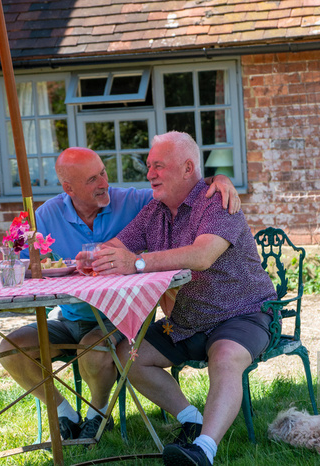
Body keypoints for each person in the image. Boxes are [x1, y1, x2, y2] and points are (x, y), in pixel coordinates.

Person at [0, 146, 240, 441]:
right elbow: (13, 254)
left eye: (103, 173)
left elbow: (181, 187)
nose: (104, 183)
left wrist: (218, 178)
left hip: (120, 317)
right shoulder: (45, 215)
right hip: (70, 315)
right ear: (68, 188)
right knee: (12, 349)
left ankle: (97, 414)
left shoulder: (132, 201)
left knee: (92, 348)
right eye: (92, 179)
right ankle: (65, 415)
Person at [85, 132, 278, 466]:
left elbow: (202, 255)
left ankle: (203, 450)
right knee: (127, 355)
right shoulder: (155, 212)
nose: (149, 174)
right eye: (148, 167)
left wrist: (138, 263)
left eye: (158, 166)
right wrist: (94, 257)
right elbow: (117, 246)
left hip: (241, 314)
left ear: (188, 168)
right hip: (185, 322)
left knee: (226, 355)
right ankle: (191, 420)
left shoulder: (216, 201)